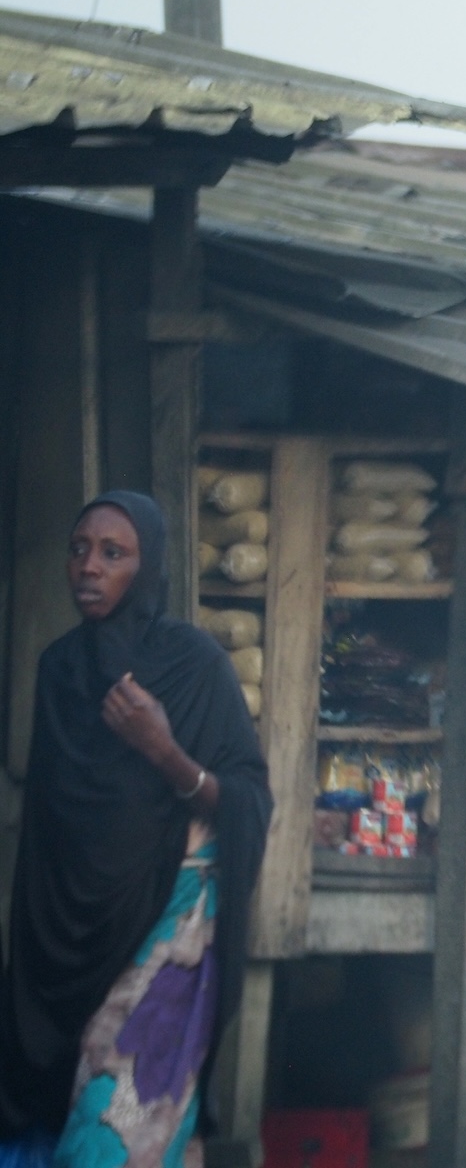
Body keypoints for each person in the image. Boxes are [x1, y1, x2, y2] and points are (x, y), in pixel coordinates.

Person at [0, 492, 273, 1166]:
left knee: (109, 1136)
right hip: (66, 944)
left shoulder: (196, 664)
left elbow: (250, 797)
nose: (89, 566)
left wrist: (166, 751)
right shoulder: (60, 669)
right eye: (80, 549)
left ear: (146, 569)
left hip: (165, 935)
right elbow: (47, 834)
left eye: (113, 553)